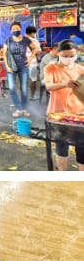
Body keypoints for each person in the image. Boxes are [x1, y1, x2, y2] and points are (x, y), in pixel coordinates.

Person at [44, 39, 84, 171]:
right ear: (58, 53)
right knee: (61, 144)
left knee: (82, 145)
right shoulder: (51, 68)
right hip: (58, 113)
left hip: (79, 113)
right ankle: (62, 174)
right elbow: (49, 86)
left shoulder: (80, 69)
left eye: (71, 56)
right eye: (65, 56)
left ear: (76, 54)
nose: (68, 58)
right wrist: (65, 84)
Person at [2, 22, 38, 117]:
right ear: (10, 31)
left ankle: (24, 108)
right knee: (12, 88)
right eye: (13, 29)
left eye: (17, 28)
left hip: (23, 66)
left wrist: (30, 59)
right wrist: (7, 66)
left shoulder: (26, 40)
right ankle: (18, 108)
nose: (15, 30)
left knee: (24, 89)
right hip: (11, 66)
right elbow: (4, 54)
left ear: (21, 29)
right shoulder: (8, 40)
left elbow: (35, 49)